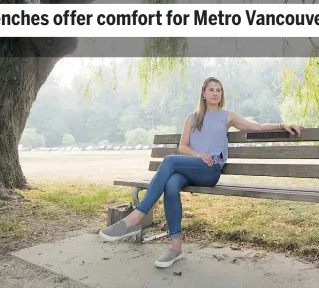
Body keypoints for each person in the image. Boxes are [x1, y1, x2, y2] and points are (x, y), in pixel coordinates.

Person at [99, 76, 302, 268]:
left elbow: (256, 127)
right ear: (203, 93)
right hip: (192, 166)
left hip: (210, 171)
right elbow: (183, 147)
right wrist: (197, 155)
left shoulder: (227, 116)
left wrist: (282, 124)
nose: (215, 93)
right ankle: (176, 248)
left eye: (219, 90)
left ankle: (136, 217)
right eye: (211, 90)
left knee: (169, 161)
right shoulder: (192, 117)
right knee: (171, 186)